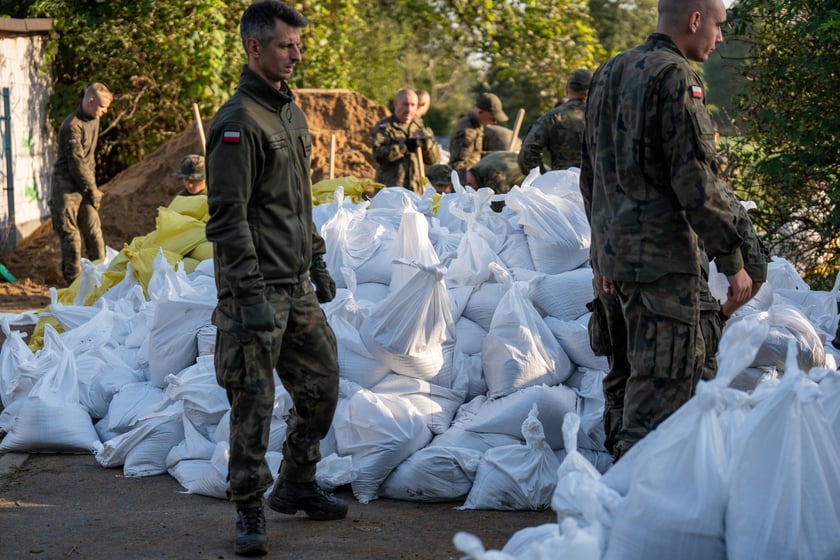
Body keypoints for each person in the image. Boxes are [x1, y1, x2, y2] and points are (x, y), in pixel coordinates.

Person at [579, 0, 755, 459]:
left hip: (614, 268)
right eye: (717, 26)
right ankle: (636, 509)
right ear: (695, 20)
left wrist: (603, 257)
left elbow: (590, 176)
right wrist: (732, 261)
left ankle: (609, 499)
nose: (719, 39)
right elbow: (695, 180)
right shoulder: (676, 77)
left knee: (623, 384)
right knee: (661, 398)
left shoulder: (609, 71)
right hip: (663, 268)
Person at [204, 2, 346, 556]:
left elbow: (299, 202)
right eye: (286, 45)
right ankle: (248, 509)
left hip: (295, 283)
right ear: (254, 48)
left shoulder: (290, 114)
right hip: (255, 293)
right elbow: (227, 219)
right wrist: (248, 295)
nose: (296, 54)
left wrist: (316, 260)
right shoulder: (239, 121)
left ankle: (297, 483)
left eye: (298, 45)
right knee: (253, 401)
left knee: (323, 385)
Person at [49, 82, 112, 286]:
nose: (104, 112)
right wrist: (93, 190)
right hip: (66, 188)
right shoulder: (72, 125)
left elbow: (89, 159)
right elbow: (77, 163)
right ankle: (74, 289)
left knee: (94, 233)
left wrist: (91, 188)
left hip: (84, 185)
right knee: (71, 240)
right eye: (102, 106)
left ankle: (101, 282)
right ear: (90, 101)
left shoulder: (94, 119)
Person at [517, 69, 592, 175]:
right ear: (593, 90)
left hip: (562, 184)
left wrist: (544, 178)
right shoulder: (606, 117)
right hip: (599, 185)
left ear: (567, 89)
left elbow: (526, 154)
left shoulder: (551, 118)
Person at [371, 88, 441, 194]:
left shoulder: (419, 126)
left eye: (413, 105)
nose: (409, 109)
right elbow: (378, 155)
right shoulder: (385, 127)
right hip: (391, 193)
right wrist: (405, 146)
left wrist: (426, 144)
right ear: (396, 104)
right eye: (405, 104)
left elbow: (433, 159)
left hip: (415, 191)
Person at [448, 92, 508, 171]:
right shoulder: (467, 133)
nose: (495, 123)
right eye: (493, 118)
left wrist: (498, 155)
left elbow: (475, 154)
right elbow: (458, 165)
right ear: (480, 112)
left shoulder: (476, 125)